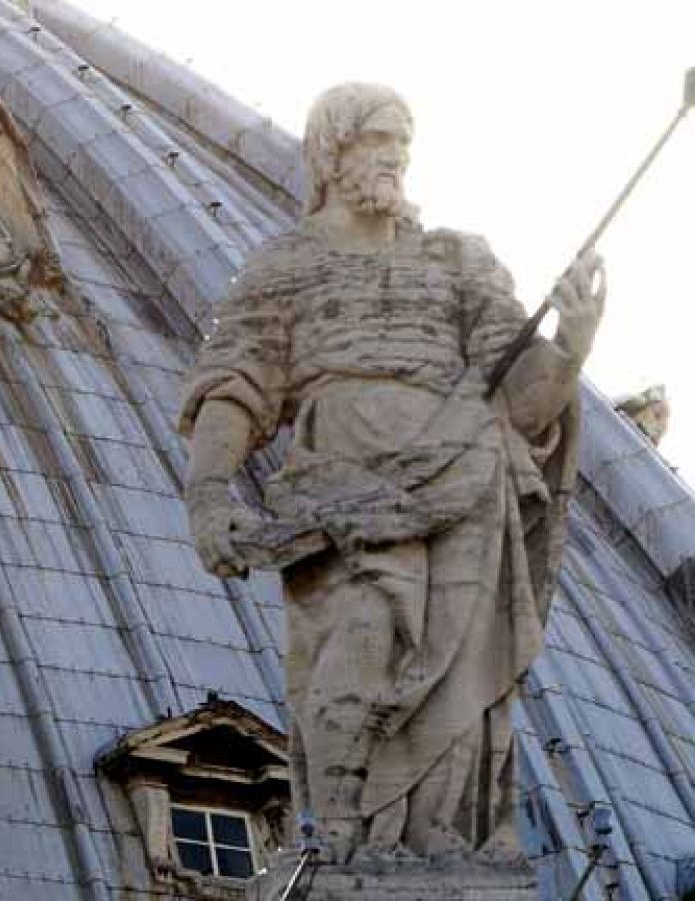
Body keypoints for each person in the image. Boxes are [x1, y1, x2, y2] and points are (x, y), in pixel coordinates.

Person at [178, 82, 604, 862]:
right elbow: (236, 386)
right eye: (378, 139)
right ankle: (345, 834)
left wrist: (573, 344)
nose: (396, 156)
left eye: (402, 142)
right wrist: (210, 495)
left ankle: (433, 831)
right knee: (362, 647)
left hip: (462, 485)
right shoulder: (287, 266)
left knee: (454, 678)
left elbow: (525, 399)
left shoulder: (457, 259)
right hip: (340, 496)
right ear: (333, 154)